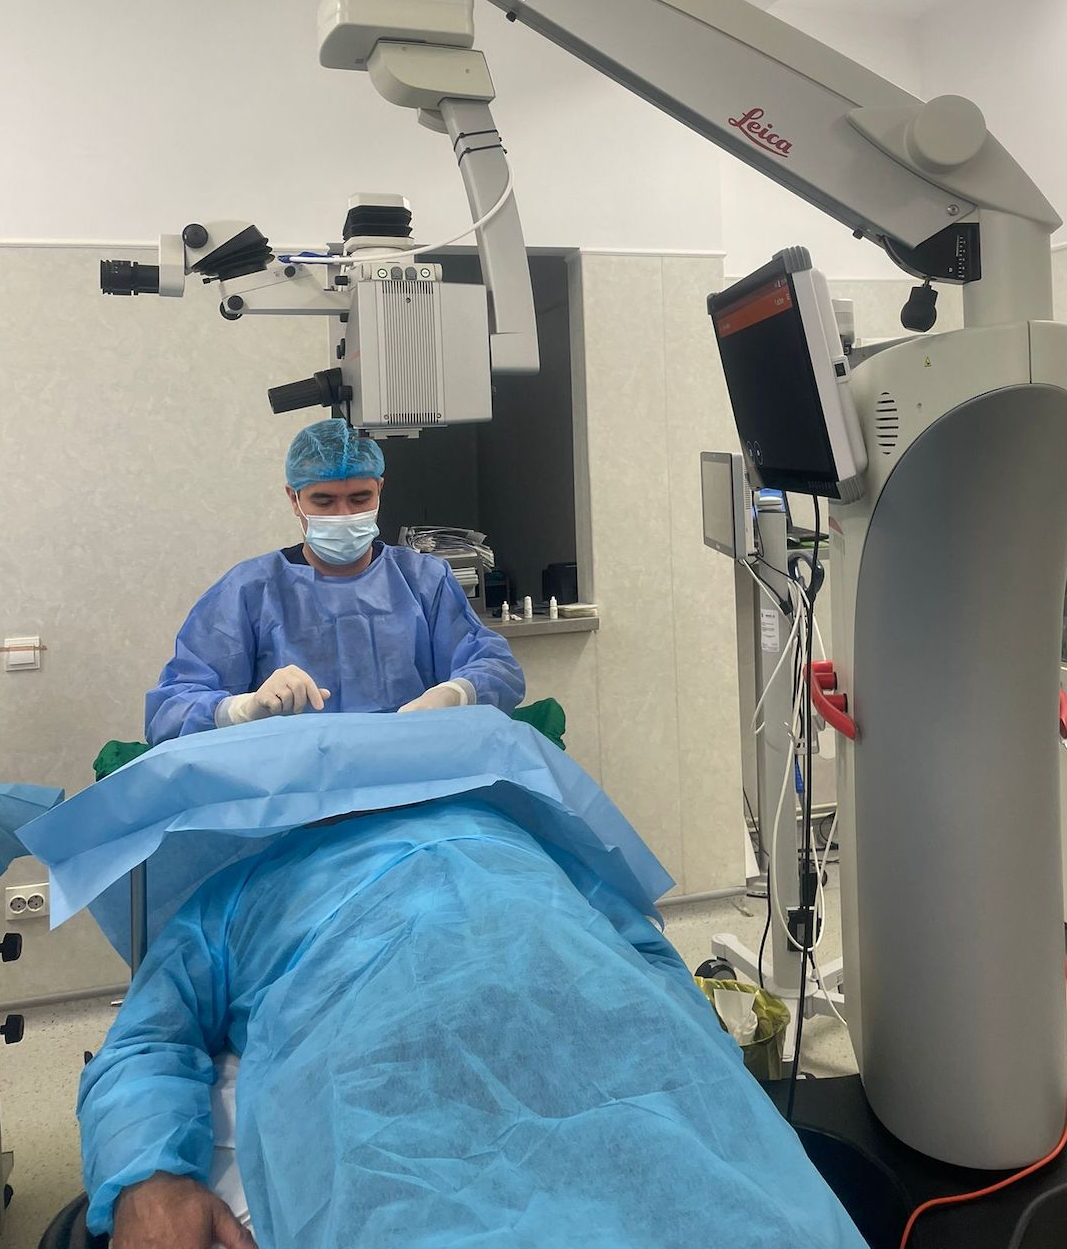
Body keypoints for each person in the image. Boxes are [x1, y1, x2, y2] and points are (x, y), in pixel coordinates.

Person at [79, 798, 866, 1249]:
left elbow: (651, 967)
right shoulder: (240, 889)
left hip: (594, 1040)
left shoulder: (508, 830)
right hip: (378, 1075)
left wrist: (703, 1072)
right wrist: (149, 1176)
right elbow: (148, 1037)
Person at [145, 419, 524, 744]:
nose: (343, 514)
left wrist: (454, 694)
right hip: (293, 785)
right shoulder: (249, 590)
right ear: (294, 499)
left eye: (359, 499)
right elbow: (169, 711)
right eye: (323, 501)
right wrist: (244, 708)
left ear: (380, 490)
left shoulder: (424, 580)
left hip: (408, 772)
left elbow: (495, 667)